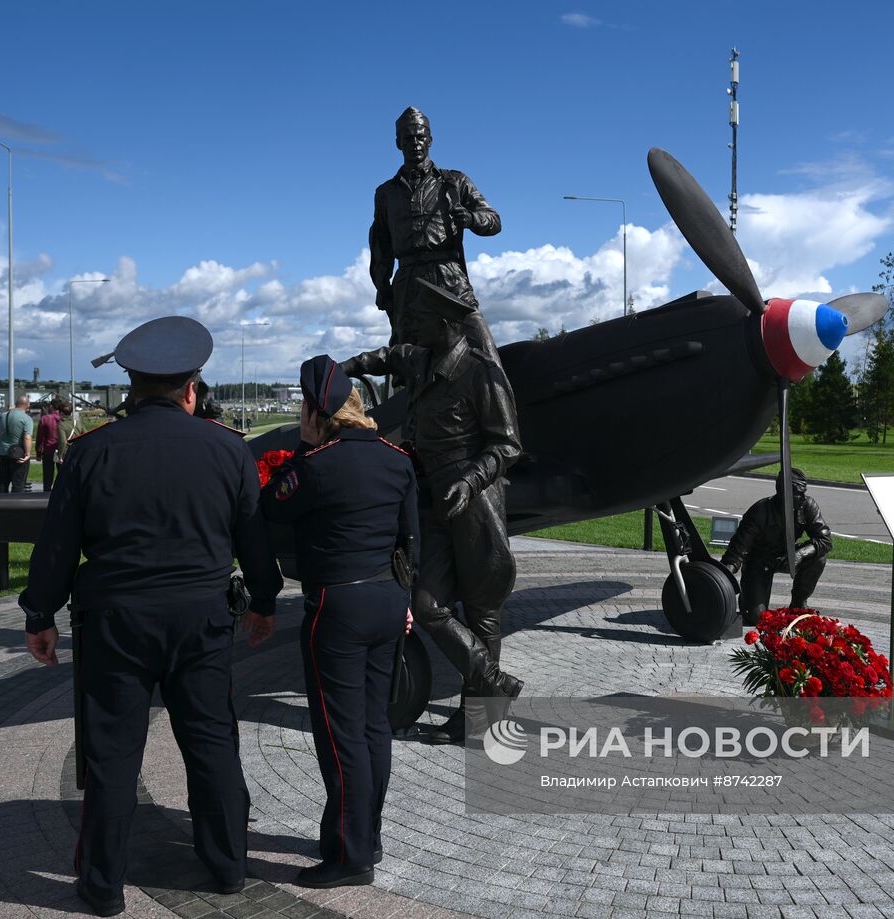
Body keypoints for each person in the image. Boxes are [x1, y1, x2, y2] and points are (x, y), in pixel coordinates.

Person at [19, 315, 284, 917]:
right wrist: (264, 602)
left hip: (115, 623)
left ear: (131, 388)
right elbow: (254, 540)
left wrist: (40, 614)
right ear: (192, 387)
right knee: (213, 743)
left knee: (112, 754)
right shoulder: (229, 450)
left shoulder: (88, 452)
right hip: (202, 620)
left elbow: (57, 547)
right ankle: (227, 868)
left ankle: (104, 886)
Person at [341, 279, 523, 745]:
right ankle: (494, 683)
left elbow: (507, 443)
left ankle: (478, 722)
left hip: (474, 500)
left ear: (444, 323)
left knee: (483, 613)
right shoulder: (420, 358)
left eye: (419, 319)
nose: (411, 327)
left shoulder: (482, 373)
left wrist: (470, 480)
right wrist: (342, 368)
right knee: (428, 605)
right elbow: (384, 356)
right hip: (431, 498)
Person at [260, 355, 417, 889]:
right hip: (389, 601)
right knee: (374, 727)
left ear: (315, 413)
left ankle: (351, 858)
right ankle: (365, 835)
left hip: (338, 608)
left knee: (340, 734)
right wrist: (406, 599)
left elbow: (271, 507)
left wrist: (302, 450)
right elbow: (408, 541)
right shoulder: (397, 460)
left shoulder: (316, 465)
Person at [369, 107, 501, 360]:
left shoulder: (454, 182)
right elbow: (380, 243)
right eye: (408, 138)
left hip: (448, 276)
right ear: (398, 143)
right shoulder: (386, 193)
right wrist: (382, 285)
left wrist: (472, 218)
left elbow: (494, 220)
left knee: (482, 349)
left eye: (420, 137)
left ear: (430, 140)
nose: (415, 144)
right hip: (408, 282)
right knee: (408, 359)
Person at [720, 468, 832, 624]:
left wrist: (799, 554)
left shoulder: (807, 505)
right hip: (759, 560)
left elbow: (824, 539)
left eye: (803, 492)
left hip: (787, 555)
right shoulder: (759, 511)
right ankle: (749, 598)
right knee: (756, 618)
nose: (802, 497)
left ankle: (798, 603)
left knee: (818, 558)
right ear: (784, 493)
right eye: (798, 493)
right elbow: (737, 551)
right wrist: (721, 581)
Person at [0, 398, 33, 494]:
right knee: (18, 483)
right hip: (17, 453)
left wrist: (9, 412)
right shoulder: (26, 418)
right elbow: (27, 437)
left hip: (2, 452)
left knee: (2, 482)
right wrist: (28, 454)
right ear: (27, 405)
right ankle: (16, 506)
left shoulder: (3, 416)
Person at [36, 401, 61, 491]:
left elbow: (40, 438)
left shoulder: (45, 419)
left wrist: (38, 452)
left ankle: (46, 496)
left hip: (48, 450)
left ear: (51, 406)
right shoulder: (63, 418)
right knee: (62, 476)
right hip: (61, 450)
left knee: (47, 477)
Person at [55, 400, 75, 470]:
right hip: (76, 453)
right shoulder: (78, 423)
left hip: (65, 454)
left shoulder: (61, 425)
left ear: (61, 412)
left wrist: (59, 456)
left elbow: (63, 442)